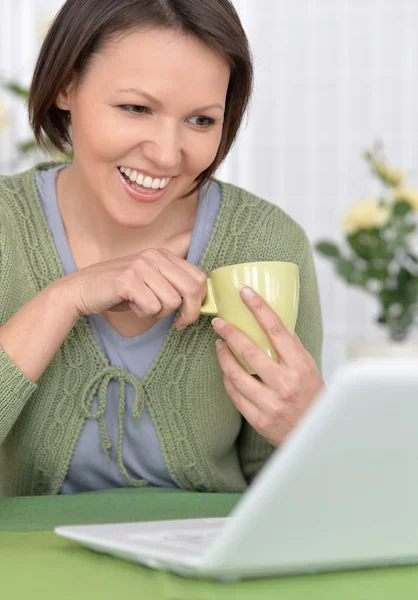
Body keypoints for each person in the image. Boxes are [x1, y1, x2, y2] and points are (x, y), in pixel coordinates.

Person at [0, 0, 324, 497]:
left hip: (206, 561)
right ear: (66, 85)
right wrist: (64, 298)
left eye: (200, 120)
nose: (168, 153)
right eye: (136, 108)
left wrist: (310, 433)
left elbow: (288, 499)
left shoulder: (267, 246)